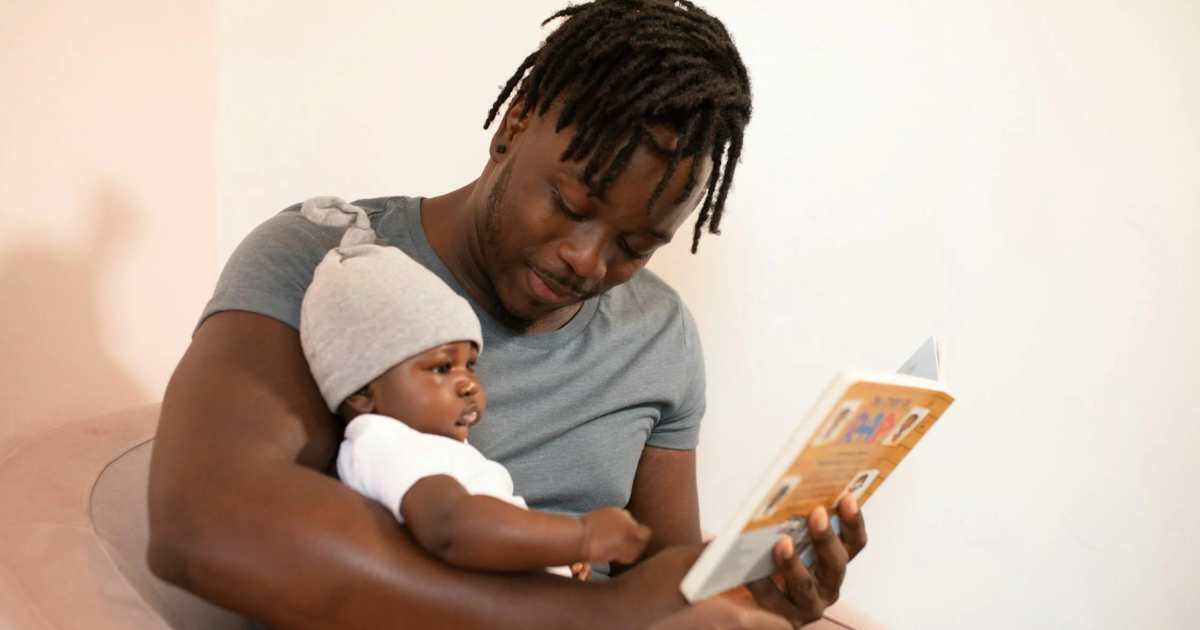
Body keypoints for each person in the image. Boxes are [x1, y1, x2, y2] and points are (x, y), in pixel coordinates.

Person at [147, 1, 869, 627]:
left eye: (637, 245)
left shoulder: (659, 333)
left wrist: (757, 590)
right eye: (571, 205)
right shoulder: (328, 261)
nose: (589, 262)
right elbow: (205, 525)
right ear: (514, 126)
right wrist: (597, 620)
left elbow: (660, 570)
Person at [299, 196, 650, 580]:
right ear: (362, 391)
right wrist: (577, 537)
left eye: (471, 364)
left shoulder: (429, 446)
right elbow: (452, 528)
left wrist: (547, 560)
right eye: (443, 367)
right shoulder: (383, 445)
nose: (467, 383)